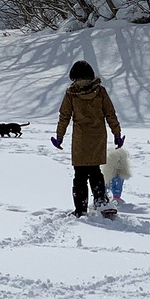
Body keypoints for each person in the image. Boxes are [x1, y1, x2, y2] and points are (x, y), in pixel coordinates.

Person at [51, 60, 125, 216]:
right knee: (95, 171)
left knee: (80, 174)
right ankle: (101, 203)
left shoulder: (71, 93)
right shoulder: (100, 91)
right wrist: (116, 133)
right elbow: (110, 113)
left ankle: (80, 209)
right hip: (98, 137)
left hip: (80, 138)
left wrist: (59, 136)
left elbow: (64, 116)